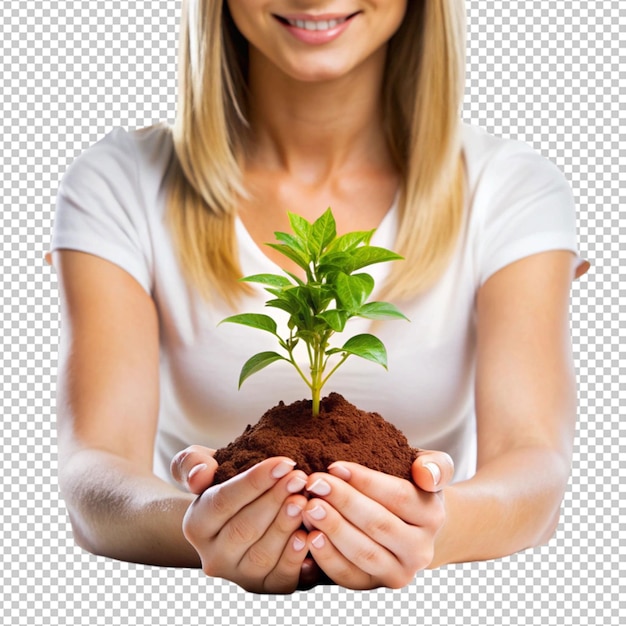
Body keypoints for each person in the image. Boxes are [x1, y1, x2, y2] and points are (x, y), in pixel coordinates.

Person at [49, 1, 588, 594]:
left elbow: (536, 465)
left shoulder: (510, 188)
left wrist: (432, 529)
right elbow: (92, 469)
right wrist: (196, 527)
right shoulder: (121, 180)